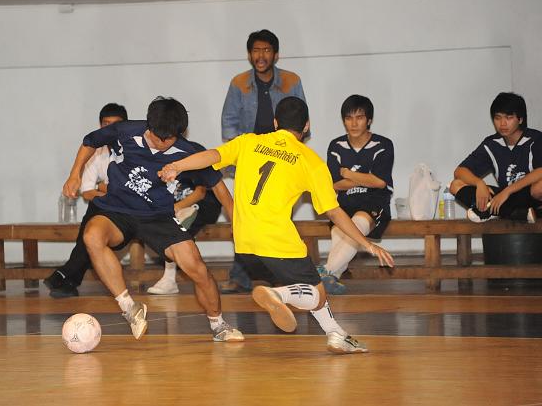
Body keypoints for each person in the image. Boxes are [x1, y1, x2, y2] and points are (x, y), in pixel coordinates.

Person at [160, 97, 394, 353]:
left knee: (313, 290)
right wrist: (366, 244)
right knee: (317, 294)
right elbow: (335, 212)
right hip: (277, 240)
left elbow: (212, 155)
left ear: (275, 122)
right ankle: (279, 295)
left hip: (244, 243)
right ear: (306, 126)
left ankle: (336, 334)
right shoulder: (310, 161)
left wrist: (176, 166)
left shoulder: (248, 142)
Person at [62, 96, 244, 342]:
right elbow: (89, 142)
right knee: (92, 236)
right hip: (118, 209)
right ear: (149, 127)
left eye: (170, 139)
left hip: (158, 217)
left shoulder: (187, 152)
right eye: (159, 138)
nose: (163, 144)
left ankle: (218, 325)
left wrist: (236, 220)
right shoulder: (126, 131)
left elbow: (218, 186)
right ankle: (129, 308)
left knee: (197, 267)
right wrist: (74, 175)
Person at [220, 28, 306, 293]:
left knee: (277, 219)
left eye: (266, 50)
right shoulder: (238, 83)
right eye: (256, 50)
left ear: (276, 55)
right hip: (251, 160)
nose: (261, 55)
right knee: (244, 219)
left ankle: (278, 276)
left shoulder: (291, 81)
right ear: (249, 55)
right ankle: (240, 276)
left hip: (282, 159)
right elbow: (229, 123)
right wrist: (240, 156)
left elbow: (300, 117)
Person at [44, 102, 128, 297]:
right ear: (100, 126)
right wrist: (105, 189)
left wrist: (105, 188)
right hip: (108, 207)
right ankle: (68, 281)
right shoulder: (95, 151)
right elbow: (88, 191)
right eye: (106, 124)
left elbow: (128, 188)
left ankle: (64, 274)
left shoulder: (133, 149)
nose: (110, 129)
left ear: (126, 125)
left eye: (116, 124)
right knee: (91, 222)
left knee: (93, 222)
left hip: (131, 209)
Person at [316, 95, 394, 295]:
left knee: (358, 222)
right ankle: (331, 277)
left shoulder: (383, 145)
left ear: (369, 120)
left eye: (359, 117)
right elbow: (334, 184)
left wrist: (348, 173)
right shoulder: (336, 146)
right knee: (339, 232)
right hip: (344, 205)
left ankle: (324, 272)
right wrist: (366, 178)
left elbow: (380, 182)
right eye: (349, 118)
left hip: (373, 203)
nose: (354, 123)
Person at [147, 143, 233, 295]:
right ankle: (170, 272)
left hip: (203, 204)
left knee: (176, 224)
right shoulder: (154, 155)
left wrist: (175, 208)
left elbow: (200, 193)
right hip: (179, 205)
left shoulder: (192, 152)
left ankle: (169, 279)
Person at [450, 92, 542, 222]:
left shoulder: (536, 139)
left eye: (509, 117)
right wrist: (479, 183)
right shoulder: (491, 144)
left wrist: (507, 191)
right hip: (504, 198)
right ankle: (513, 213)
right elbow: (459, 171)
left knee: (539, 187)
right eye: (498, 118)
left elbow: (540, 171)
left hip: (527, 196)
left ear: (520, 119)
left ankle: (493, 211)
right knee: (455, 185)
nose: (502, 123)